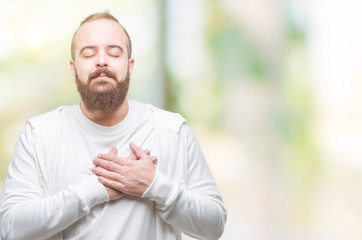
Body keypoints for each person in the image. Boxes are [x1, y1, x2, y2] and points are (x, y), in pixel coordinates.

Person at [0, 11, 226, 240]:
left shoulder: (173, 130)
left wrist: (155, 185)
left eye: (114, 53)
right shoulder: (39, 134)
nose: (101, 60)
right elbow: (10, 228)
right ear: (73, 67)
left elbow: (214, 226)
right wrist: (95, 190)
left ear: (130, 66)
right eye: (88, 54)